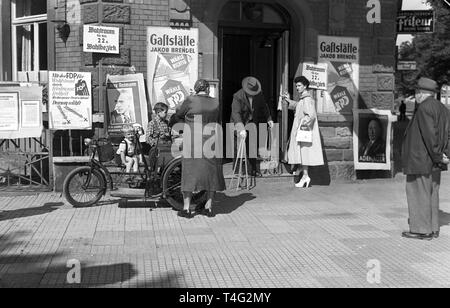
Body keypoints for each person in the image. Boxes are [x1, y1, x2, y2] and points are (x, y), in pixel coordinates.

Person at [402, 77, 450, 241]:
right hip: (435, 162)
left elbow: (430, 136)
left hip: (421, 160)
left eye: (416, 92)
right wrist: (444, 155)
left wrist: (437, 155)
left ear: (422, 93)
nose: (415, 95)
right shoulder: (442, 108)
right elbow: (447, 134)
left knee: (418, 194)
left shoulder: (423, 108)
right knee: (432, 194)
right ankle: (433, 227)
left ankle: (422, 230)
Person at [174, 79, 226, 219]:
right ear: (208, 89)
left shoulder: (190, 100)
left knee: (190, 172)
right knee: (212, 173)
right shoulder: (216, 102)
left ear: (196, 89)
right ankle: (208, 207)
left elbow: (178, 114)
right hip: (212, 139)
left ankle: (186, 209)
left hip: (193, 139)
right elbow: (219, 119)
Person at [283, 76, 324, 188]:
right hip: (302, 132)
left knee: (304, 154)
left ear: (305, 86)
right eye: (296, 86)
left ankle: (305, 176)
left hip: (304, 133)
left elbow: (311, 116)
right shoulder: (303, 99)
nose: (297, 88)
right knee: (302, 154)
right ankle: (303, 173)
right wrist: (289, 100)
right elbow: (298, 106)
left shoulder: (307, 99)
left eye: (299, 85)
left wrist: (302, 124)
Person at [230, 76, 274, 178]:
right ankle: (237, 171)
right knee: (238, 147)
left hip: (251, 123)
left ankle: (252, 170)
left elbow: (264, 106)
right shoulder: (238, 96)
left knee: (252, 147)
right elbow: (236, 113)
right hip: (239, 123)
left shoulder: (259, 94)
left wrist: (269, 119)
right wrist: (241, 129)